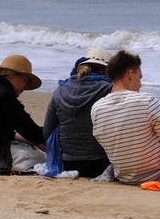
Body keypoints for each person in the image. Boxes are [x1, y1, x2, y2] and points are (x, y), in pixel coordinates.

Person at [90, 50, 160, 185]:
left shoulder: (96, 108)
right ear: (130, 74)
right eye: (140, 77)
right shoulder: (148, 101)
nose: (140, 84)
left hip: (126, 178)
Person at [43, 48, 114, 177]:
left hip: (66, 163)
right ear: (108, 70)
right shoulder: (110, 90)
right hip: (100, 164)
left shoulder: (60, 90)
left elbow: (47, 131)